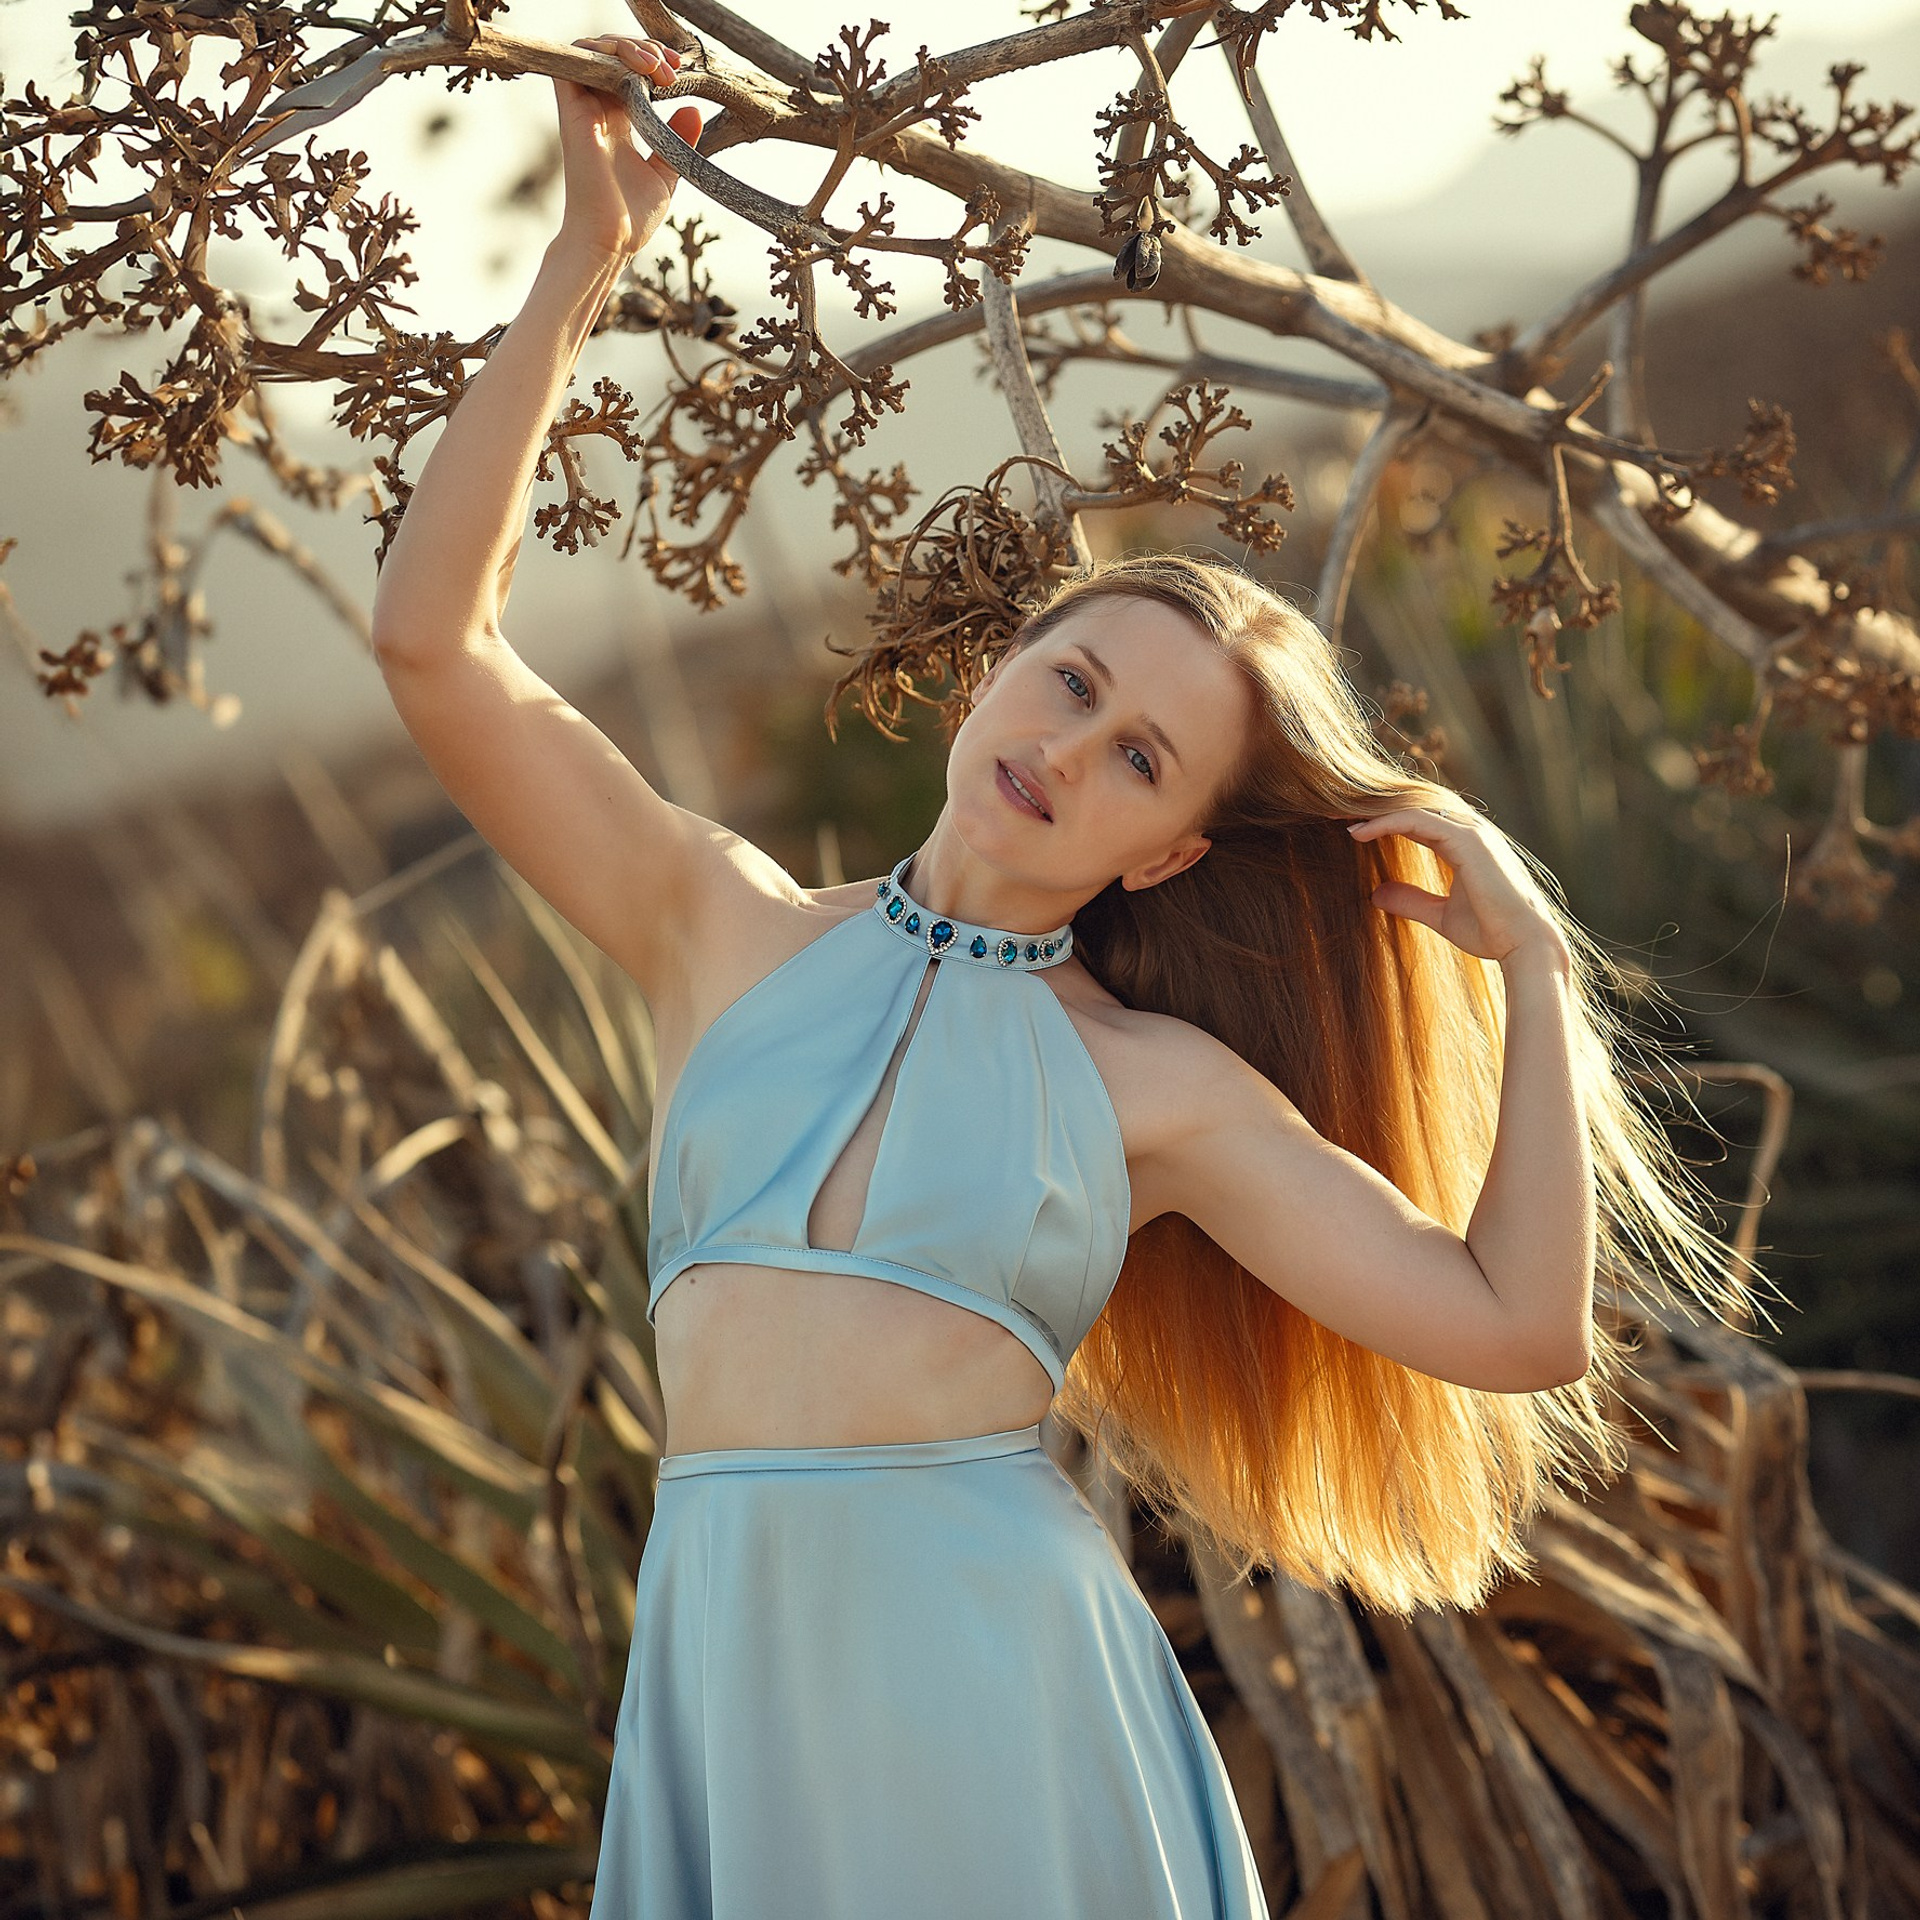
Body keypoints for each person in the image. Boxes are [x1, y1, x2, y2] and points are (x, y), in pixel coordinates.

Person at [368, 33, 1751, 1919]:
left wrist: (1529, 966)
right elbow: (435, 646)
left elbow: (1518, 1330)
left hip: (1003, 1698)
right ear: (999, 670)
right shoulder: (715, 918)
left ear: (1165, 851)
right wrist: (580, 265)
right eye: (1072, 683)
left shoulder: (1152, 1087)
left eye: (1141, 760)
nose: (1071, 750)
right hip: (729, 1671)